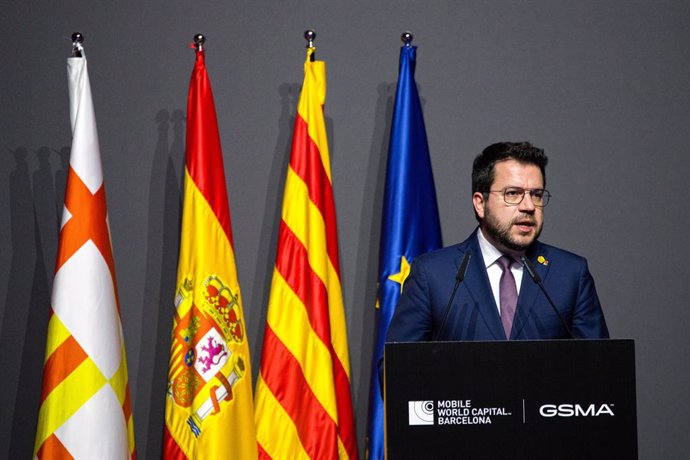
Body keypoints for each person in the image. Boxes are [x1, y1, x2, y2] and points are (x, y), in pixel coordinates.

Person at [386, 141, 609, 342]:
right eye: (513, 193)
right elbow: (395, 370)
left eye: (537, 195)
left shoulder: (570, 274)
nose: (529, 206)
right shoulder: (433, 275)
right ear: (480, 203)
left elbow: (600, 369)